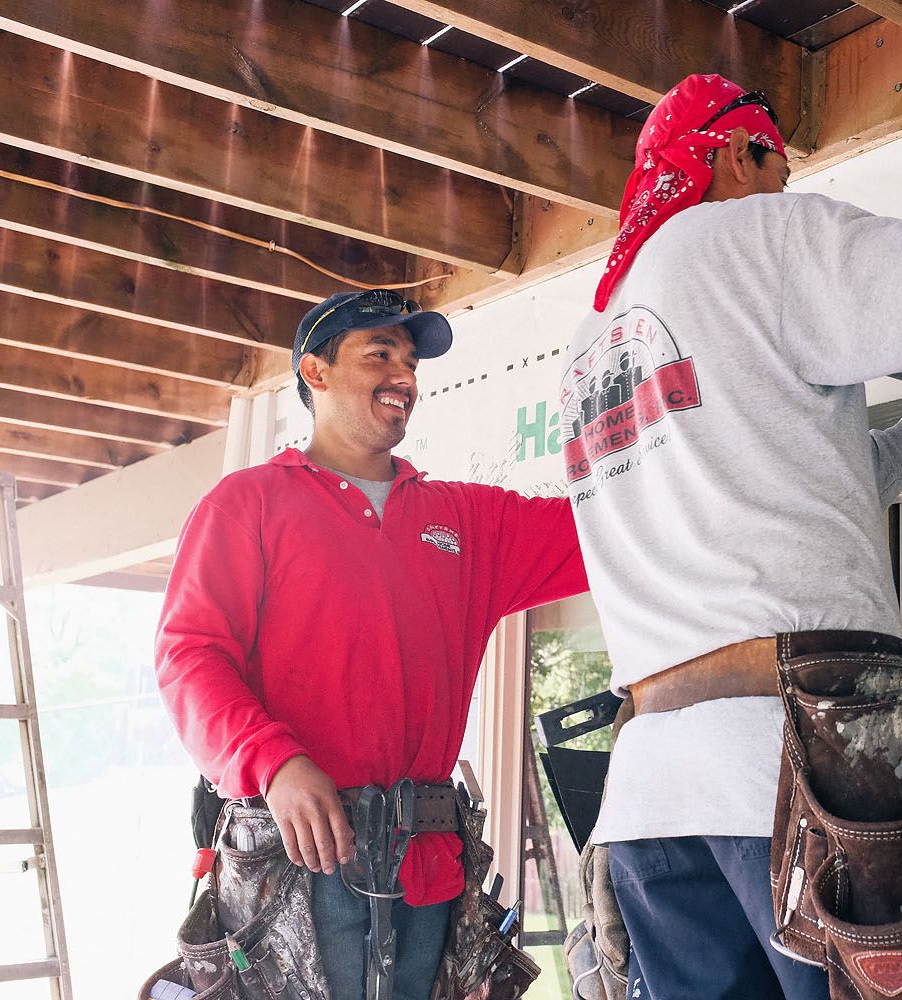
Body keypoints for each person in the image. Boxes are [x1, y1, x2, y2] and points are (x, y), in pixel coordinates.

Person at [559, 75, 902, 999]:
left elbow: (778, 485)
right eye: (778, 169)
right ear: (733, 154)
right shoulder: (751, 237)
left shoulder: (591, 344)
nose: (784, 191)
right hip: (796, 775)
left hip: (650, 802)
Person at [155, 288, 588, 1000]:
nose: (405, 377)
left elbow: (609, 529)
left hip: (429, 870)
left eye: (411, 362)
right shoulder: (248, 504)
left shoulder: (465, 520)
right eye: (379, 354)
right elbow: (188, 657)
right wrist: (275, 763)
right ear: (315, 373)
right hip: (292, 872)